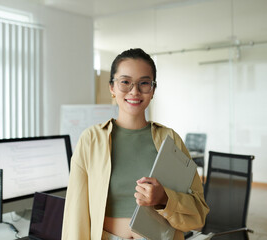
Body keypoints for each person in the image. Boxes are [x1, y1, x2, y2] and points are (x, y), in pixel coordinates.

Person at [62, 48, 209, 240]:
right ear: (112, 88)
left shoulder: (170, 139)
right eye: (125, 82)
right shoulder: (91, 140)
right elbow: (75, 214)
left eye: (144, 83)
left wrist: (165, 198)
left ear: (153, 89)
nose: (134, 91)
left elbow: (198, 214)